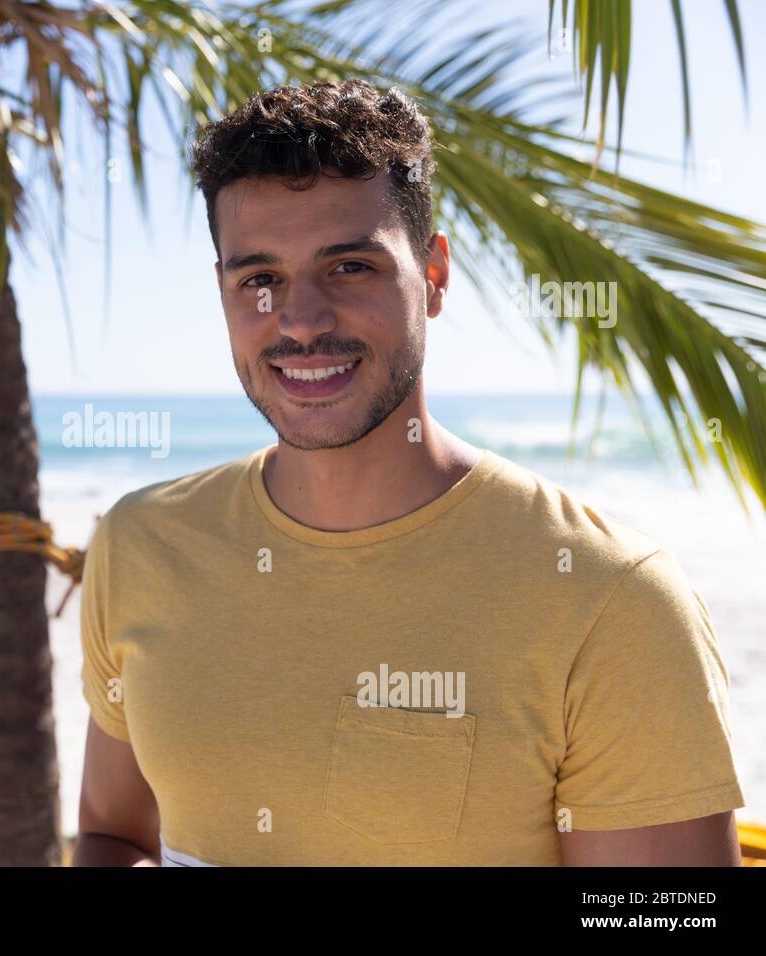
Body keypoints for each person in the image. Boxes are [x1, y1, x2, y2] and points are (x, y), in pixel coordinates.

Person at [72, 80, 745, 866]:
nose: (301, 321)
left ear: (432, 275)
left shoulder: (612, 601)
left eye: (350, 266)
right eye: (259, 279)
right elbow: (113, 834)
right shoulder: (140, 545)